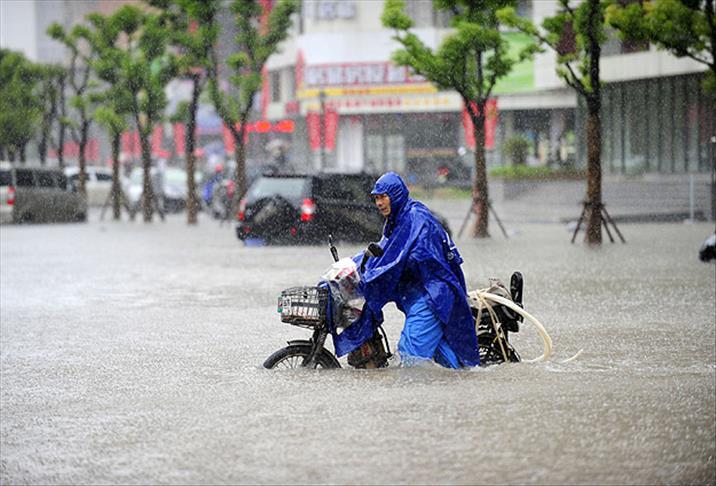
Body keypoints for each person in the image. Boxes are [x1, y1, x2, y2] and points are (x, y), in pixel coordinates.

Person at [359, 171, 480, 368]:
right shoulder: (397, 220)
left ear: (395, 195)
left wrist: (378, 274)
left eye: (383, 197)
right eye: (376, 198)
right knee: (448, 362)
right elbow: (386, 251)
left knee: (410, 354)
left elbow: (406, 259)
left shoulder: (416, 219)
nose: (379, 203)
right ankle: (466, 387)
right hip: (421, 294)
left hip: (432, 296)